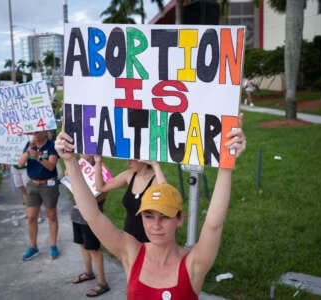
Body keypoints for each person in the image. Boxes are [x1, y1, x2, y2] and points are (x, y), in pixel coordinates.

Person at [55, 113, 246, 299]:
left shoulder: (193, 264)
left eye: (164, 216)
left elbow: (213, 225)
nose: (156, 225)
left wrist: (227, 163)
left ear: (180, 218)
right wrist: (70, 161)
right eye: (148, 216)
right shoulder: (132, 252)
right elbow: (93, 216)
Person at [94, 157, 167, 243]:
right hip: (129, 236)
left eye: (132, 159)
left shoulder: (156, 179)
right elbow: (101, 187)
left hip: (149, 239)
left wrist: (155, 165)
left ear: (143, 160)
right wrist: (98, 162)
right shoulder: (129, 175)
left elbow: (166, 194)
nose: (128, 163)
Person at [70, 155, 110, 297]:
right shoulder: (79, 165)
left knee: (93, 248)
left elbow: (103, 194)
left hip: (91, 214)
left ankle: (102, 282)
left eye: (85, 152)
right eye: (80, 152)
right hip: (77, 210)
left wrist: (88, 195)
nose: (82, 155)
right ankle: (88, 272)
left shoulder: (101, 168)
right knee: (82, 244)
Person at [18, 130, 60, 261]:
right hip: (33, 184)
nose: (34, 135)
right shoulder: (29, 145)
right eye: (33, 133)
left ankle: (53, 245)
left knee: (51, 215)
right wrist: (29, 150)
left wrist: (38, 157)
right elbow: (19, 164)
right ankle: (33, 246)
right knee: (31, 217)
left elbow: (51, 167)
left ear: (45, 132)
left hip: (49, 184)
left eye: (37, 132)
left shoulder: (52, 145)